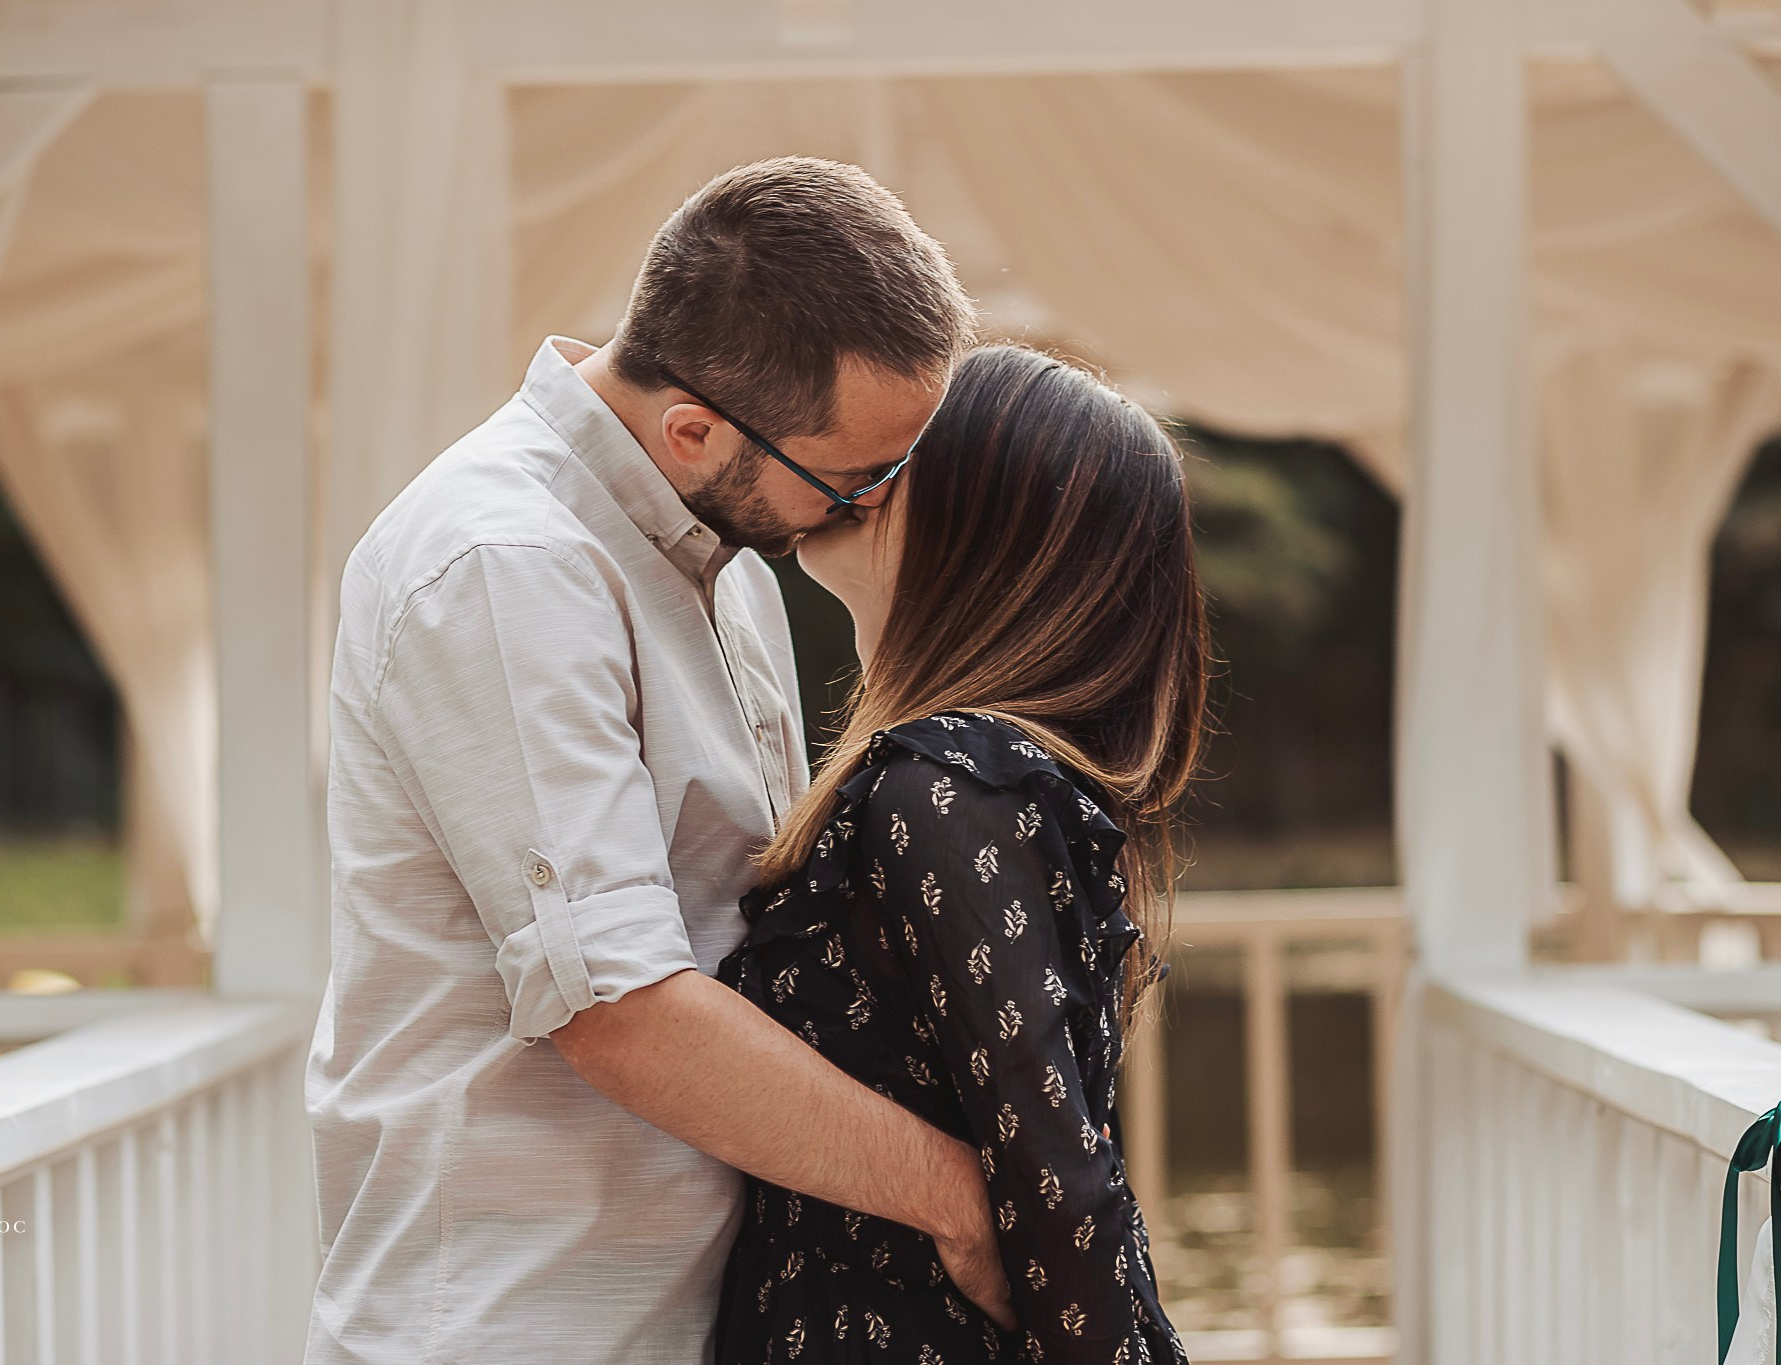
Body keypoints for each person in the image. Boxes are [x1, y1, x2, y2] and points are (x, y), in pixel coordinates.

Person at [304, 157, 1000, 1365]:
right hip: (519, 1320)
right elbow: (615, 1005)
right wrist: (963, 1201)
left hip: (688, 1316)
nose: (879, 505)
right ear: (692, 430)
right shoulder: (503, 560)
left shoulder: (720, 559)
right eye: (859, 477)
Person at [711, 344, 1209, 1363]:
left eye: (905, 465)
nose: (864, 477)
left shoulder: (943, 785)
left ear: (984, 533)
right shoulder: (977, 781)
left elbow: (1056, 1182)